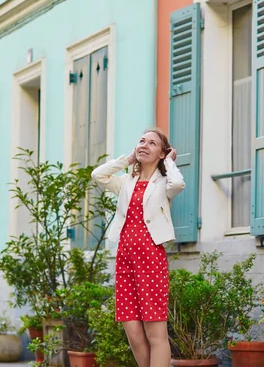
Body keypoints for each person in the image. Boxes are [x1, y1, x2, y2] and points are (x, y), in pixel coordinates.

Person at [91, 128, 185, 367]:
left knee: (156, 334)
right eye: (142, 141)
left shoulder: (164, 183)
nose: (144, 144)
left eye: (152, 143)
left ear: (162, 152)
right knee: (133, 334)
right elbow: (98, 175)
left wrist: (169, 162)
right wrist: (128, 159)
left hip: (150, 258)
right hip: (124, 259)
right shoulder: (126, 182)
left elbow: (178, 184)